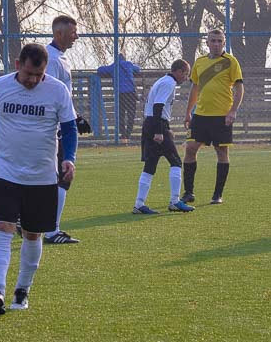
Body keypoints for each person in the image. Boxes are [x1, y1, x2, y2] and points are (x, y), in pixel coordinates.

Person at [0, 43, 78, 315]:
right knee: (3, 227)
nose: (32, 80)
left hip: (42, 176)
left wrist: (69, 157)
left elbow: (70, 127)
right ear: (18, 64)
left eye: (38, 76)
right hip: (6, 172)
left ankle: (23, 289)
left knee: (32, 233)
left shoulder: (57, 90)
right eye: (29, 74)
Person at [181, 29, 244, 205]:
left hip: (221, 116)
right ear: (207, 43)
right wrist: (188, 112)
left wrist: (233, 111)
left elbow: (239, 88)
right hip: (200, 115)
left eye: (219, 41)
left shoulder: (230, 62)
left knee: (222, 151)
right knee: (190, 149)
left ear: (224, 43)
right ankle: (188, 193)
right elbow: (194, 88)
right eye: (213, 41)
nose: (216, 44)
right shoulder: (199, 62)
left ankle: (217, 195)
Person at [43, 14, 89, 245]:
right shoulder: (51, 59)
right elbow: (49, 93)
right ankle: (52, 231)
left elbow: (62, 95)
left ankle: (25, 220)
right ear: (58, 33)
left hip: (60, 124)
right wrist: (64, 121)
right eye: (72, 32)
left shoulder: (59, 58)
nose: (76, 36)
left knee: (52, 177)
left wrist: (74, 115)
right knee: (63, 176)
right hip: (54, 129)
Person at [132, 59, 194, 214]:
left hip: (151, 123)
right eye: (185, 74)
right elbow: (158, 106)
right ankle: (174, 201)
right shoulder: (169, 83)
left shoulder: (162, 80)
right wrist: (160, 131)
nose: (186, 78)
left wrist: (166, 128)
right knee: (176, 162)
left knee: (150, 166)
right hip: (155, 124)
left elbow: (159, 107)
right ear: (178, 71)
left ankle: (139, 204)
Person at [97, 51, 141, 143]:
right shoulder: (128, 64)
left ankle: (123, 135)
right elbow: (138, 69)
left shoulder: (114, 66)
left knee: (120, 114)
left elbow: (100, 70)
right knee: (131, 114)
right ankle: (128, 134)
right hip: (131, 93)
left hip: (120, 94)